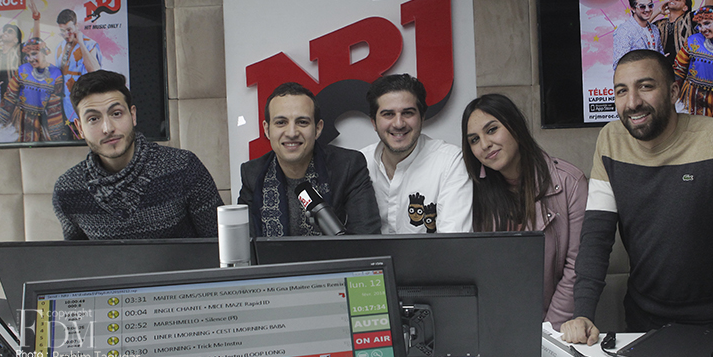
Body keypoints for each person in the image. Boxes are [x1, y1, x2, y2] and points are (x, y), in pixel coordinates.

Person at [560, 50, 713, 357]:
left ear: (673, 92)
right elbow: (596, 238)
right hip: (639, 318)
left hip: (710, 321)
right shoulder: (610, 140)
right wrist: (583, 313)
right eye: (621, 91)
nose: (632, 102)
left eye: (645, 86)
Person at [462, 93, 587, 329]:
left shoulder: (570, 183)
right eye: (474, 140)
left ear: (515, 127)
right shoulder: (472, 192)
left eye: (492, 130)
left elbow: (577, 268)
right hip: (498, 327)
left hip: (556, 328)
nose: (484, 144)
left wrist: (547, 332)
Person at [53, 70, 222, 239]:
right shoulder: (68, 190)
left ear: (133, 115)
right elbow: (77, 255)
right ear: (80, 128)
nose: (108, 128)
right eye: (93, 119)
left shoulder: (183, 167)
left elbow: (221, 243)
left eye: (116, 113)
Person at [238, 82, 380, 236]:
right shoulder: (252, 174)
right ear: (267, 130)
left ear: (318, 128)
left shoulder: (348, 166)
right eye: (281, 123)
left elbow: (366, 238)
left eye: (302, 122)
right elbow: (244, 241)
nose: (292, 133)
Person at [361, 74, 472, 234]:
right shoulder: (359, 163)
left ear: (422, 117)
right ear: (374, 122)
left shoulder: (450, 162)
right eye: (388, 114)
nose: (398, 124)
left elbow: (454, 240)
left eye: (408, 113)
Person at [0, 38, 65, 141]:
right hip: (20, 120)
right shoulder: (22, 69)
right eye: (27, 55)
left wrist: (55, 132)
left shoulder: (56, 73)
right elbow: (10, 96)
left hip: (41, 121)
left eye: (34, 54)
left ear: (44, 53)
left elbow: (54, 104)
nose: (30, 59)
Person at [54, 8, 103, 133]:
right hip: (66, 105)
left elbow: (95, 71)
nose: (66, 34)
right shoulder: (59, 47)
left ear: (76, 26)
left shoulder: (89, 44)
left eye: (69, 30)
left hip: (86, 103)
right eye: (62, 31)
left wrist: (80, 42)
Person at [612, 0, 663, 69]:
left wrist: (663, 60)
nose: (647, 9)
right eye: (642, 7)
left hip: (655, 74)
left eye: (650, 5)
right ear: (633, 9)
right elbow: (619, 65)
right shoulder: (624, 30)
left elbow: (660, 54)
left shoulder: (654, 29)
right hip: (635, 76)